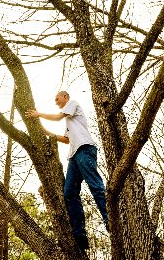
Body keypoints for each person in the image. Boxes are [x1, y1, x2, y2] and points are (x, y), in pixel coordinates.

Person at [25, 91, 108, 250]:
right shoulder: (70, 121)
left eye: (57, 99)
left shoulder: (73, 104)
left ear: (65, 97)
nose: (56, 102)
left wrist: (38, 114)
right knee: (69, 192)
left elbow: (57, 117)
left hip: (85, 149)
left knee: (95, 185)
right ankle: (79, 234)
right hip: (74, 154)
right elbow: (66, 140)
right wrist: (44, 131)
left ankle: (109, 219)